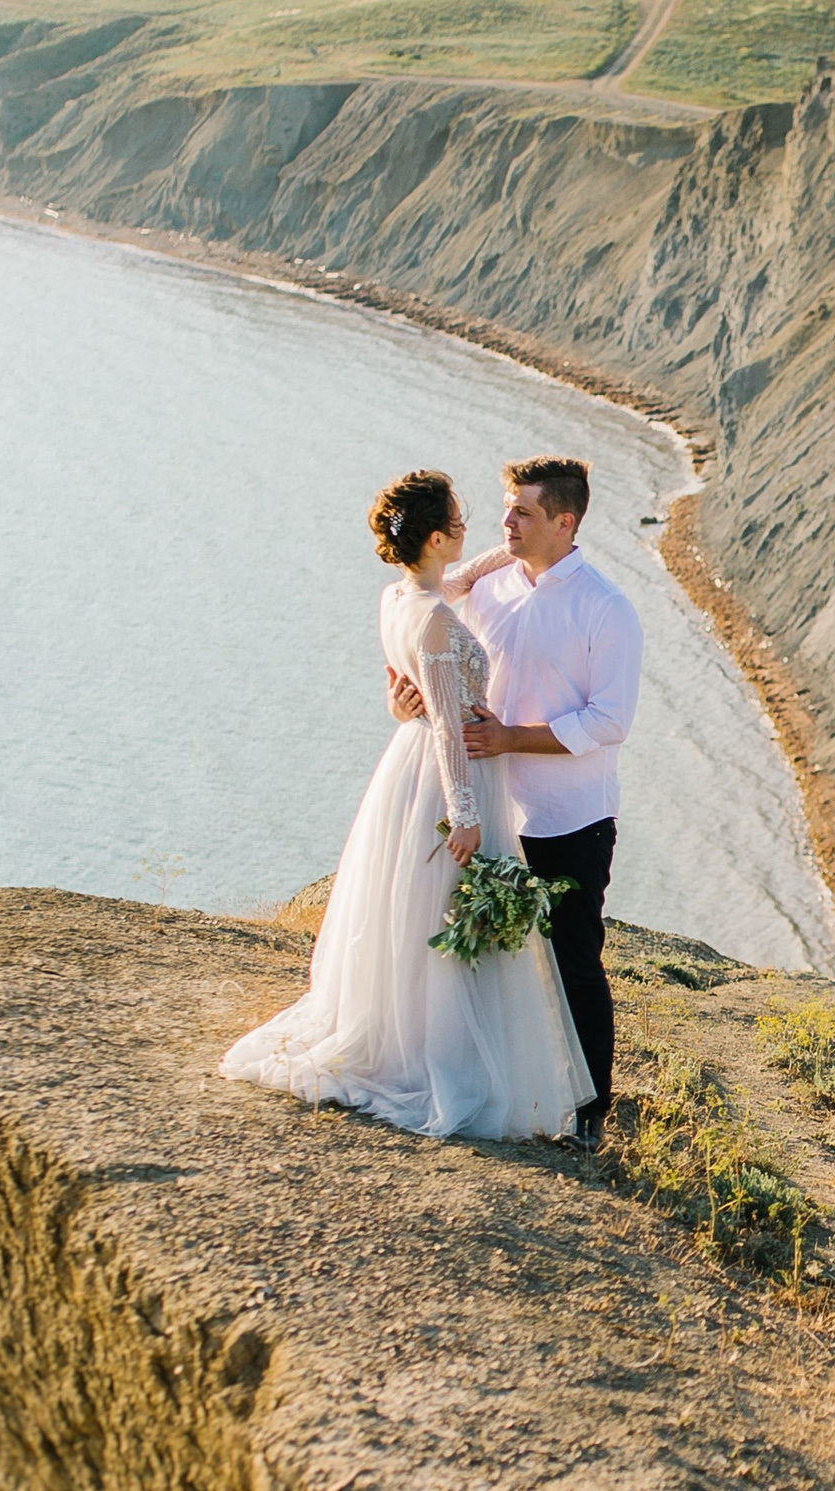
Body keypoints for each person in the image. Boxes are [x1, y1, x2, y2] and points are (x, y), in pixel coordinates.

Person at [221, 469, 593, 1141]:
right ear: (431, 536)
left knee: (413, 913)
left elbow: (424, 664)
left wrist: (514, 547)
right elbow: (451, 726)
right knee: (443, 925)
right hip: (449, 778)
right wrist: (468, 817)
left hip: (406, 766)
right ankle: (437, 1057)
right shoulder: (439, 619)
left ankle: (415, 1038)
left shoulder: (400, 598)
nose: (468, 530)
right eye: (457, 521)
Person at [395, 449, 642, 1143]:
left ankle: (590, 1111)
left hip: (569, 816)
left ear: (564, 522)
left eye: (522, 512)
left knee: (572, 959)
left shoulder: (607, 609)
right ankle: (507, 1087)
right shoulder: (488, 586)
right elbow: (426, 636)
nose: (505, 520)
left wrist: (510, 740)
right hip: (490, 805)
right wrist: (404, 693)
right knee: (487, 958)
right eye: (505, 508)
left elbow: (609, 721)